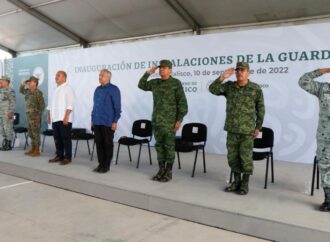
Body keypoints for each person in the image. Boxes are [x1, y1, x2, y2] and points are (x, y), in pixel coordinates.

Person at [209, 62, 265, 195]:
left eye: (243, 70)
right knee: (233, 157)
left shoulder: (255, 89)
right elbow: (213, 89)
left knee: (245, 158)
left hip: (247, 131)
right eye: (238, 70)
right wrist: (223, 77)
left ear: (248, 73)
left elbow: (261, 109)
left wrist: (258, 127)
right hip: (232, 129)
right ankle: (236, 182)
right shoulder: (229, 87)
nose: (240, 72)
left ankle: (245, 184)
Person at [138, 59, 188, 182]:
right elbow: (141, 85)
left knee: (169, 147)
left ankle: (169, 171)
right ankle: (161, 169)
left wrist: (179, 120)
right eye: (160, 68)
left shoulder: (176, 83)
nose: (161, 70)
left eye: (164, 68)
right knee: (159, 146)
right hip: (157, 121)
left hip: (170, 123)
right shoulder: (155, 83)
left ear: (170, 70)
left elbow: (183, 104)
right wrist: (148, 73)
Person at [299, 68, 330, 212]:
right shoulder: (323, 88)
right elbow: (303, 81)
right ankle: (329, 198)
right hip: (325, 137)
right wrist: (321, 71)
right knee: (325, 166)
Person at [92, 69, 121, 173]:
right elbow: (95, 106)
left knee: (107, 144)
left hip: (108, 122)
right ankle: (100, 164)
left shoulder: (114, 89)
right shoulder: (97, 89)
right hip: (97, 121)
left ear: (108, 77)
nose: (100, 77)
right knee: (99, 143)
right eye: (99, 75)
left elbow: (117, 107)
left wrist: (115, 121)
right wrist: (92, 119)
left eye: (102, 75)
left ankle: (106, 165)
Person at [47, 71, 75, 165]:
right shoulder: (55, 89)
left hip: (64, 118)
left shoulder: (68, 88)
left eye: (58, 75)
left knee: (66, 138)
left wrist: (66, 116)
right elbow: (51, 104)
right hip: (55, 118)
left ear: (64, 78)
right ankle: (59, 155)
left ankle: (68, 157)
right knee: (57, 139)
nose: (56, 77)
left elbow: (70, 104)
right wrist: (49, 115)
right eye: (55, 76)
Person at [19, 76, 45, 156]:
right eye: (29, 82)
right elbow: (21, 91)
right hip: (28, 115)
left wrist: (39, 115)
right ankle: (33, 148)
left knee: (35, 133)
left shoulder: (38, 92)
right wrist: (23, 84)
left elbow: (42, 105)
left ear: (35, 83)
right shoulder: (28, 91)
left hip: (35, 116)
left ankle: (37, 150)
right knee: (30, 133)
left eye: (31, 81)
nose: (29, 83)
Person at [0, 76, 16, 151]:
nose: (1, 81)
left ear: (7, 81)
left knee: (8, 128)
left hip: (7, 113)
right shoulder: (1, 90)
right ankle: (5, 143)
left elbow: (13, 102)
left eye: (2, 80)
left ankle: (8, 145)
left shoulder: (10, 90)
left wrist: (10, 111)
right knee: (2, 129)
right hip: (1, 113)